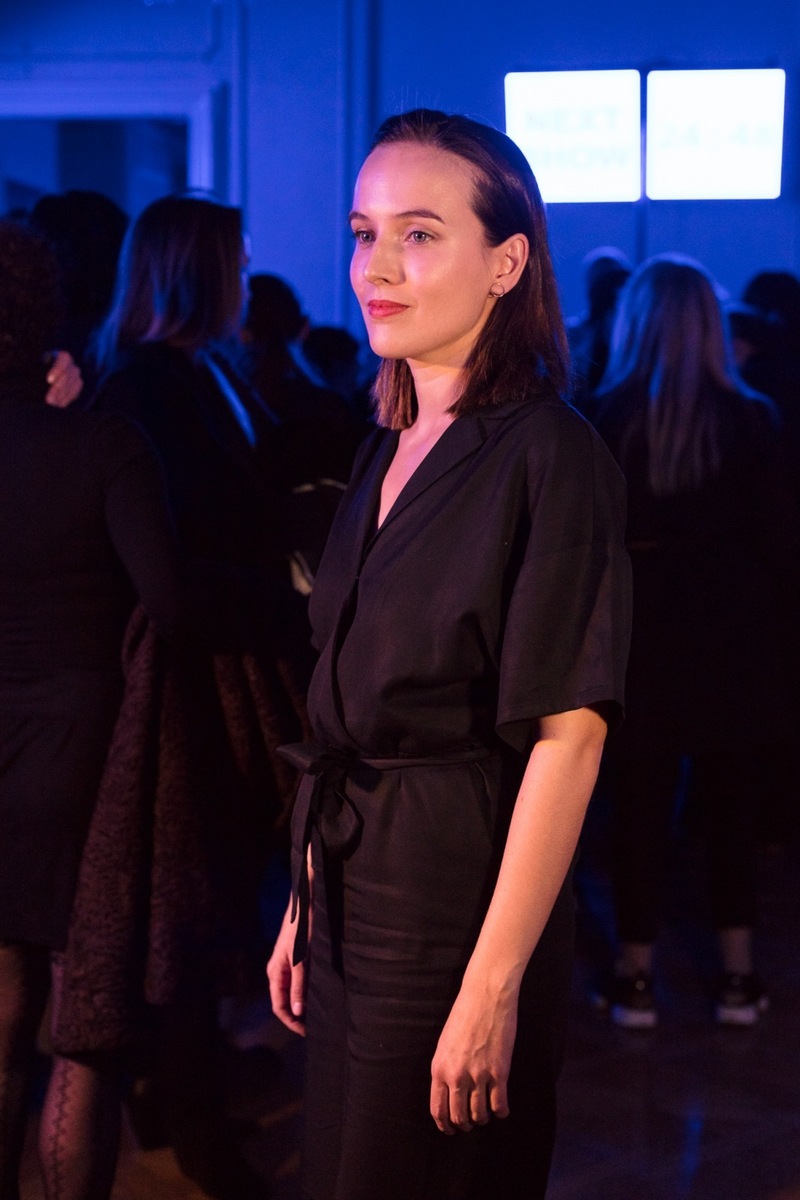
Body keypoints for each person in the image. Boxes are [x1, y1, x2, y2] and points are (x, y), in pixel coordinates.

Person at [267, 108, 631, 1200]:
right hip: (351, 882)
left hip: (451, 905)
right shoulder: (386, 443)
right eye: (363, 232)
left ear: (505, 264)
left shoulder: (551, 455)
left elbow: (568, 738)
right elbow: (349, 701)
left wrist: (492, 985)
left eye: (418, 234)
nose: (375, 267)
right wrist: (305, 897)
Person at [53, 195, 311, 1200]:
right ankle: (192, 1121)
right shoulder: (150, 387)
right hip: (185, 678)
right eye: (235, 262)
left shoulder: (192, 373)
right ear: (201, 270)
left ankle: (186, 1094)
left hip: (214, 661)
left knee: (204, 897)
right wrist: (289, 596)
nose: (247, 277)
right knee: (187, 906)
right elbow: (170, 562)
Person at [0, 220, 183, 1197]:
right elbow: (172, 600)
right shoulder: (99, 441)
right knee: (81, 1028)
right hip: (76, 753)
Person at [590, 255, 797, 1027]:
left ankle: (635, 975)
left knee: (637, 807)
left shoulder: (603, 418)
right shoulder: (752, 418)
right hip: (731, 631)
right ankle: (738, 975)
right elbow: (781, 545)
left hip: (639, 633)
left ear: (635, 324)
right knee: (730, 810)